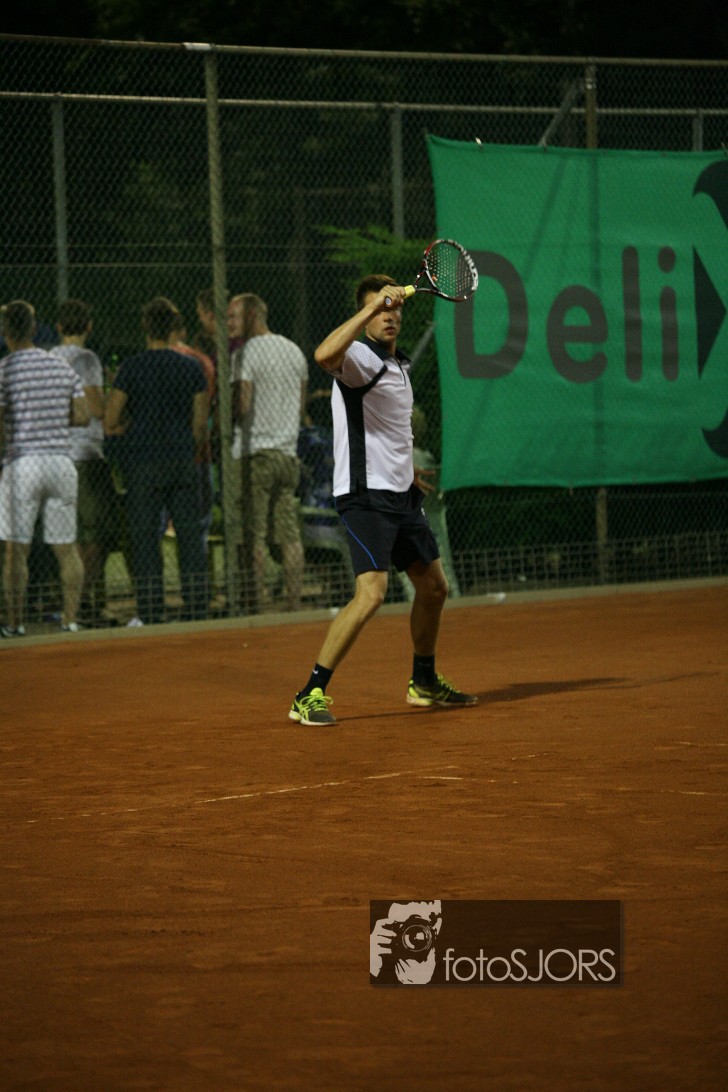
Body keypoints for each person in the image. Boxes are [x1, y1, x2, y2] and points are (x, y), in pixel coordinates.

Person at [288, 274, 478, 725]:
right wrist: (370, 308)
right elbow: (323, 355)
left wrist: (405, 470)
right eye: (380, 310)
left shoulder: (397, 366)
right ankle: (309, 693)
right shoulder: (358, 357)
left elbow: (386, 430)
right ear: (367, 314)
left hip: (401, 495)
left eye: (393, 309)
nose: (389, 316)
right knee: (372, 594)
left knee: (434, 588)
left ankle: (423, 682)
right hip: (365, 496)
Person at [104, 297, 210, 626]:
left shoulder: (132, 367)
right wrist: (188, 444)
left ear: (145, 327)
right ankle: (196, 607)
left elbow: (110, 419)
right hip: (181, 458)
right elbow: (199, 425)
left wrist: (128, 429)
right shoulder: (191, 368)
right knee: (189, 537)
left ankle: (150, 610)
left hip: (143, 462)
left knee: (145, 538)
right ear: (174, 327)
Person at [0, 300, 89, 637]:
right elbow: (83, 415)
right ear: (35, 329)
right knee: (66, 547)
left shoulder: (5, 369)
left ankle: (15, 624)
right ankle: (70, 620)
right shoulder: (60, 366)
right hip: (60, 463)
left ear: (5, 332)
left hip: (22, 463)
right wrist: (51, 419)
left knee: (16, 550)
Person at [230, 293, 308, 612]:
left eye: (233, 316)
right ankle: (293, 600)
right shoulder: (293, 350)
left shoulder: (245, 353)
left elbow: (242, 404)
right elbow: (300, 406)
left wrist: (226, 420)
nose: (228, 323)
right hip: (287, 452)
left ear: (251, 316)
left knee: (254, 534)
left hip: (256, 453)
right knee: (289, 534)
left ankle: (256, 601)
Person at [53, 298, 123, 625]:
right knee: (98, 533)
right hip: (86, 455)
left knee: (74, 535)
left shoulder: (50, 357)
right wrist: (112, 392)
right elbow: (96, 408)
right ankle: (82, 603)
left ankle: (80, 603)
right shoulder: (87, 358)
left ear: (58, 327)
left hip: (58, 454)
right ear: (89, 326)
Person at [370, 900, 443, 985]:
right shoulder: (379, 960)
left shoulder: (448, 964)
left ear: (437, 927)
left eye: (419, 926)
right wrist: (372, 969)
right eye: (401, 926)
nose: (413, 937)